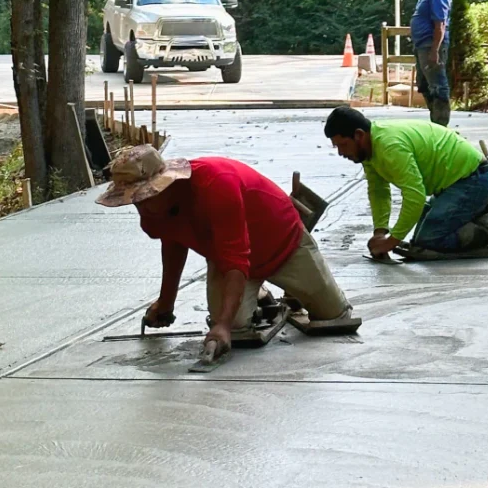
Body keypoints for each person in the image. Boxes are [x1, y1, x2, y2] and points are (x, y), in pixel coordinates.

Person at [96, 145, 352, 355]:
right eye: (134, 200)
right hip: (229, 259)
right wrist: (166, 302)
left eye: (143, 196)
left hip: (282, 242)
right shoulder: (153, 210)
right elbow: (173, 245)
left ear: (164, 184)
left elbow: (236, 257)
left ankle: (293, 289)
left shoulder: (216, 185)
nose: (140, 207)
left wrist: (223, 326)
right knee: (237, 328)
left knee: (333, 315)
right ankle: (259, 293)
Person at [324, 106, 488, 256]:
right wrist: (380, 232)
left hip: (473, 180)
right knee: (421, 235)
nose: (341, 152)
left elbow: (415, 195)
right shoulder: (370, 150)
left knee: (431, 239)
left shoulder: (389, 147)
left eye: (342, 145)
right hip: (457, 183)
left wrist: (392, 241)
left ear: (359, 135)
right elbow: (379, 191)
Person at [411, 0, 453, 126]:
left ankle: (441, 125)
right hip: (421, 45)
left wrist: (435, 51)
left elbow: (440, 25)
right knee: (424, 84)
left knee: (438, 86)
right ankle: (434, 121)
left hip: (431, 45)